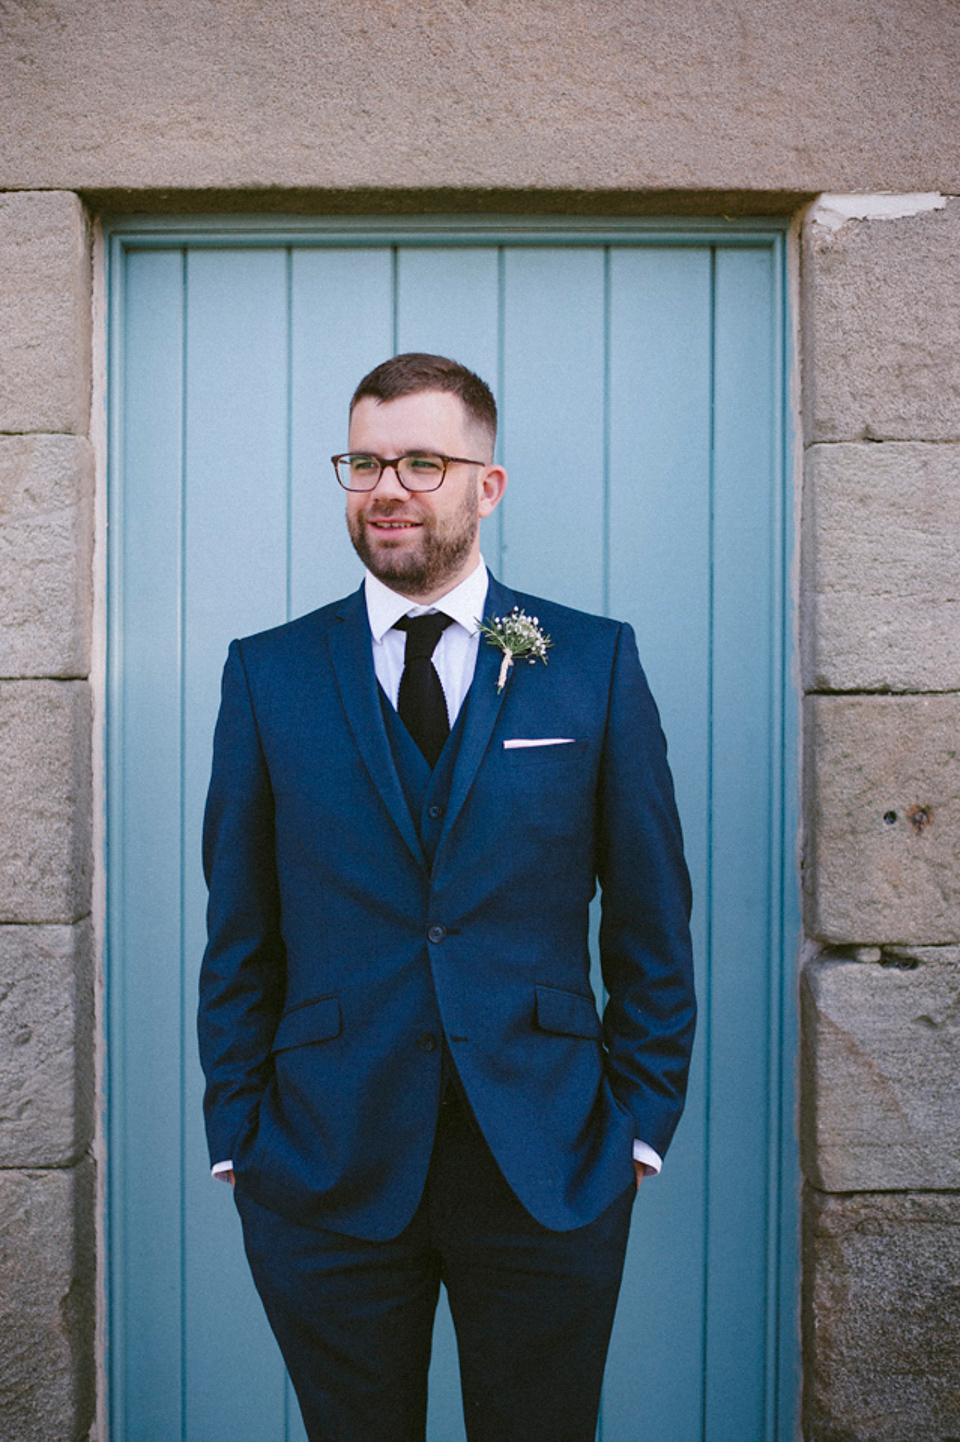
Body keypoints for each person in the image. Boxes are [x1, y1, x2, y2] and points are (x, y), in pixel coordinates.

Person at [197, 352, 696, 1442]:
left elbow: (655, 917)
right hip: (324, 1164)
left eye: (424, 460)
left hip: (550, 1159)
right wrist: (239, 1135)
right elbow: (240, 931)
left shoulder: (587, 664)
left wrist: (639, 1128)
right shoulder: (269, 673)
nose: (388, 487)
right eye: (365, 461)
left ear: (488, 484)